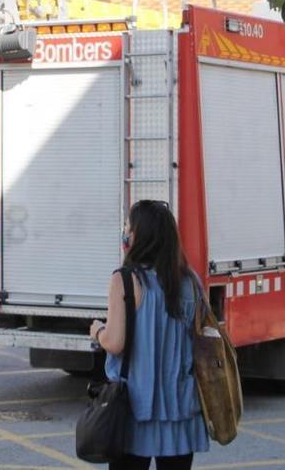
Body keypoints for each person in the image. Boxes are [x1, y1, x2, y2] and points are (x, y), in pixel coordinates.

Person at [90, 200, 209, 470]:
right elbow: (201, 339)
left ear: (139, 236)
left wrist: (97, 331)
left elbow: (116, 342)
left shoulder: (124, 280)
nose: (125, 233)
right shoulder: (190, 281)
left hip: (134, 408)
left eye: (129, 228)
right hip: (179, 407)